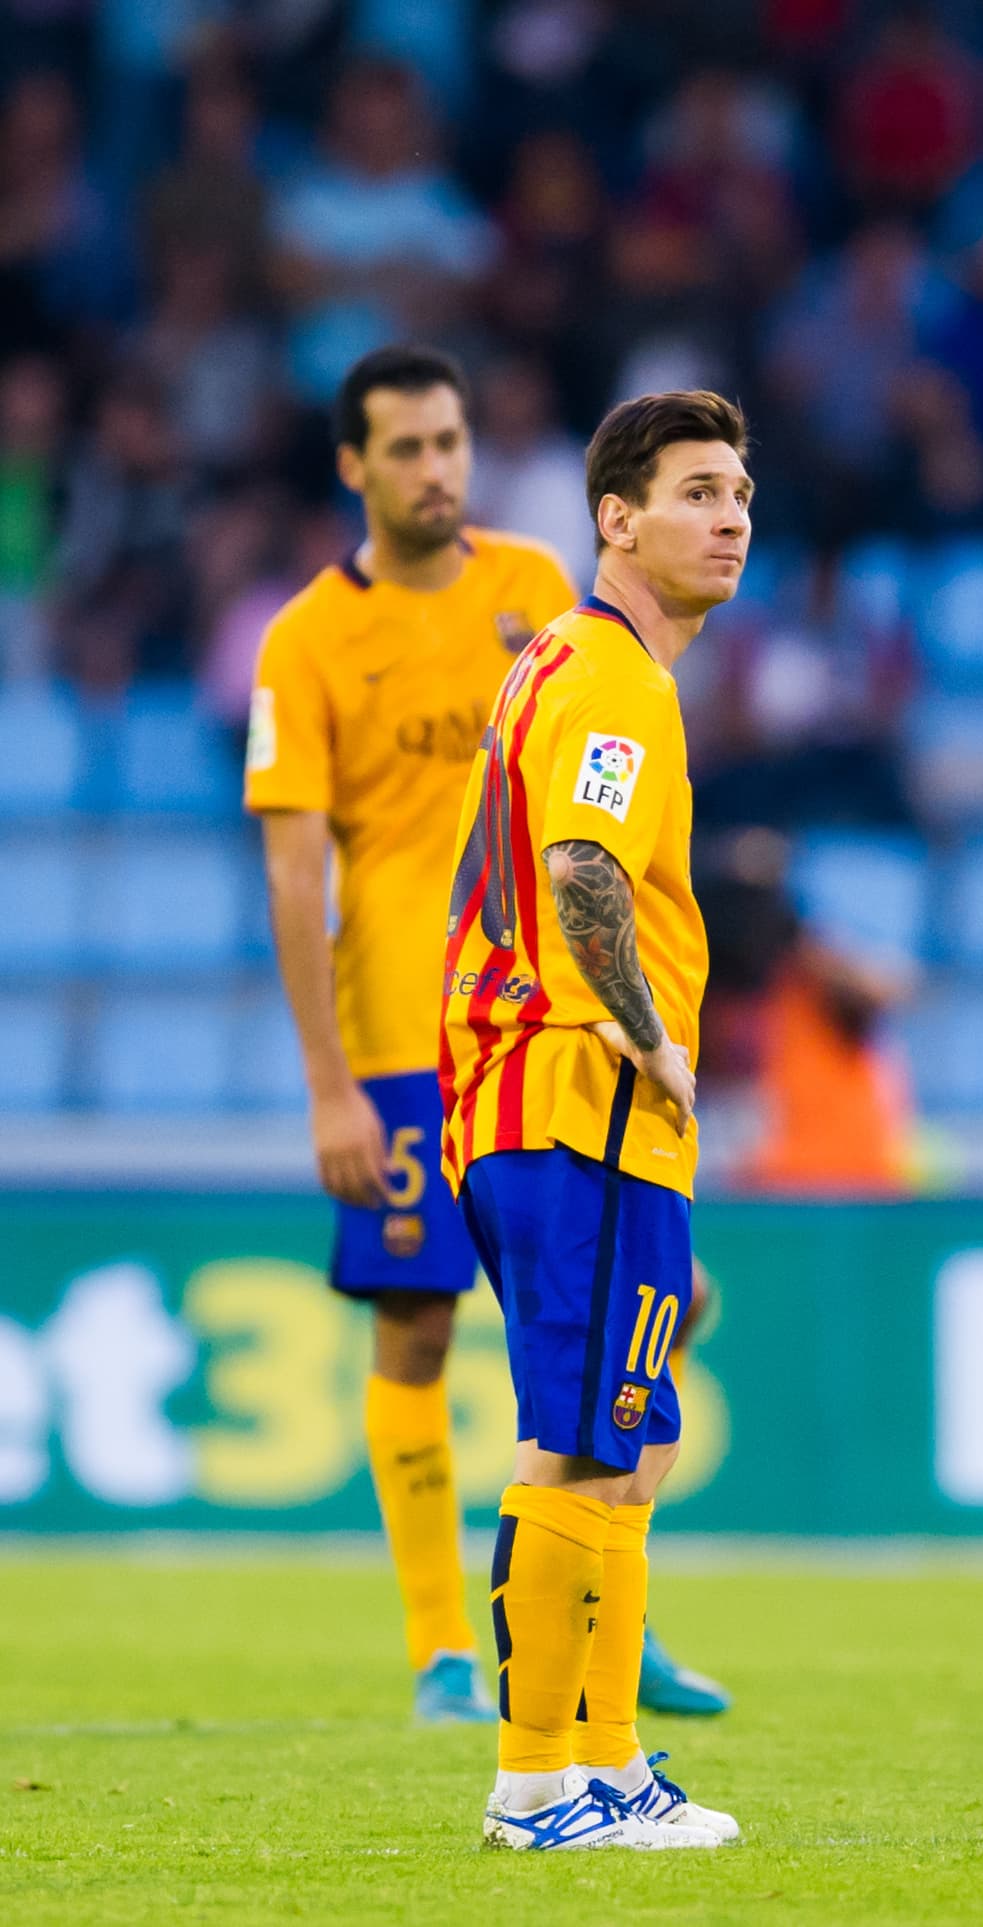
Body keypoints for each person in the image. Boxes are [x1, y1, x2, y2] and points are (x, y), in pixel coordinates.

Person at [244, 345, 576, 1723]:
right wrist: (329, 1089)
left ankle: (599, 1625)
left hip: (543, 1025)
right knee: (418, 1329)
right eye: (407, 449)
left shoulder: (537, 591)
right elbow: (294, 877)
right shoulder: (306, 639)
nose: (438, 469)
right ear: (354, 466)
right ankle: (445, 1648)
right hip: (397, 1041)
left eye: (451, 441)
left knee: (611, 1321)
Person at [441, 390, 751, 1849]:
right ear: (616, 520)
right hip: (578, 1094)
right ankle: (532, 1787)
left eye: (738, 493)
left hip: (549, 1101)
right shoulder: (614, 678)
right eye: (696, 492)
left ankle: (610, 1765)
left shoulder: (568, 665)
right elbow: (579, 872)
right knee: (576, 1442)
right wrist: (650, 1034)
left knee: (619, 1440)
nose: (730, 518)